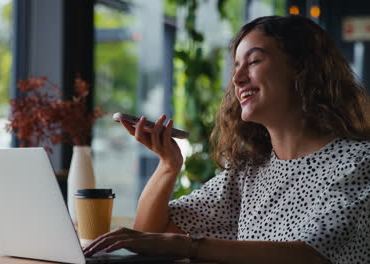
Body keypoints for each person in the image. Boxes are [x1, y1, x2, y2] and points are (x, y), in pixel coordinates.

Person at [84, 15, 370, 264]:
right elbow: (149, 233)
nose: (237, 78)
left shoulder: (359, 163)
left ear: (302, 69)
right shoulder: (248, 175)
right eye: (236, 66)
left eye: (254, 61)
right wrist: (168, 165)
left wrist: (190, 246)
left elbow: (309, 255)